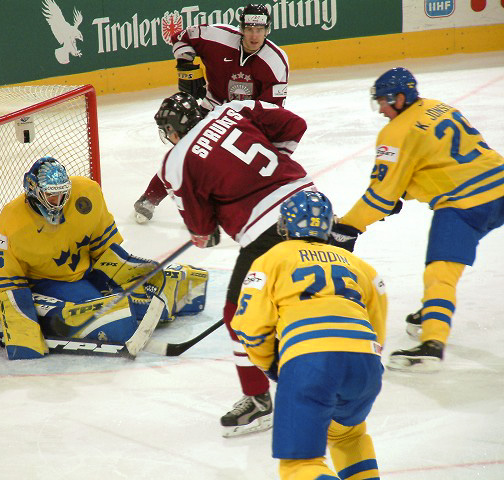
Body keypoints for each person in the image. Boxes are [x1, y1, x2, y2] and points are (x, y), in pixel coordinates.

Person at [153, 91, 313, 436]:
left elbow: (203, 230)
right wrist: (273, 172)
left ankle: (258, 400)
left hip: (267, 231)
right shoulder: (234, 108)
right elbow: (294, 124)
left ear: (175, 130)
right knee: (308, 299)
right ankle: (329, 370)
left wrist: (202, 232)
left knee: (237, 314)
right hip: (310, 204)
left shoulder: (176, 159)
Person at [329, 67, 504, 372]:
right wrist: (405, 192)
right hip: (499, 185)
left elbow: (381, 196)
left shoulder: (394, 133)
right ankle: (434, 309)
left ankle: (432, 344)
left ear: (400, 97)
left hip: (464, 206)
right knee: (445, 273)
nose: (381, 109)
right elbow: (438, 161)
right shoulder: (440, 106)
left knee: (440, 274)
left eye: (384, 101)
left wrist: (348, 225)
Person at [0, 156, 208, 360]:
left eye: (63, 194)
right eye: (52, 196)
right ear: (34, 193)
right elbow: (1, 282)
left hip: (87, 272)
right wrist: (20, 327)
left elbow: (104, 247)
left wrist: (131, 271)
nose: (59, 201)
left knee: (156, 287)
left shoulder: (86, 193)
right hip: (47, 284)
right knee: (118, 322)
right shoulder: (11, 223)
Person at [232, 190, 387, 480]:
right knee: (348, 437)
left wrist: (272, 365)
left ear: (285, 226)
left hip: (310, 362)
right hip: (365, 366)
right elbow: (377, 324)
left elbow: (250, 326)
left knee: (299, 464)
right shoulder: (361, 267)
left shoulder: (272, 258)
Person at [134, 3, 290, 224]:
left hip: (247, 122)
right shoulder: (216, 36)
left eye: (260, 30)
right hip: (211, 108)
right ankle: (150, 198)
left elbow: (272, 112)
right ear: (241, 28)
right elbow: (181, 37)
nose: (254, 36)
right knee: (185, 153)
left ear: (268, 30)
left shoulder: (276, 61)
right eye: (249, 29)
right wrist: (185, 66)